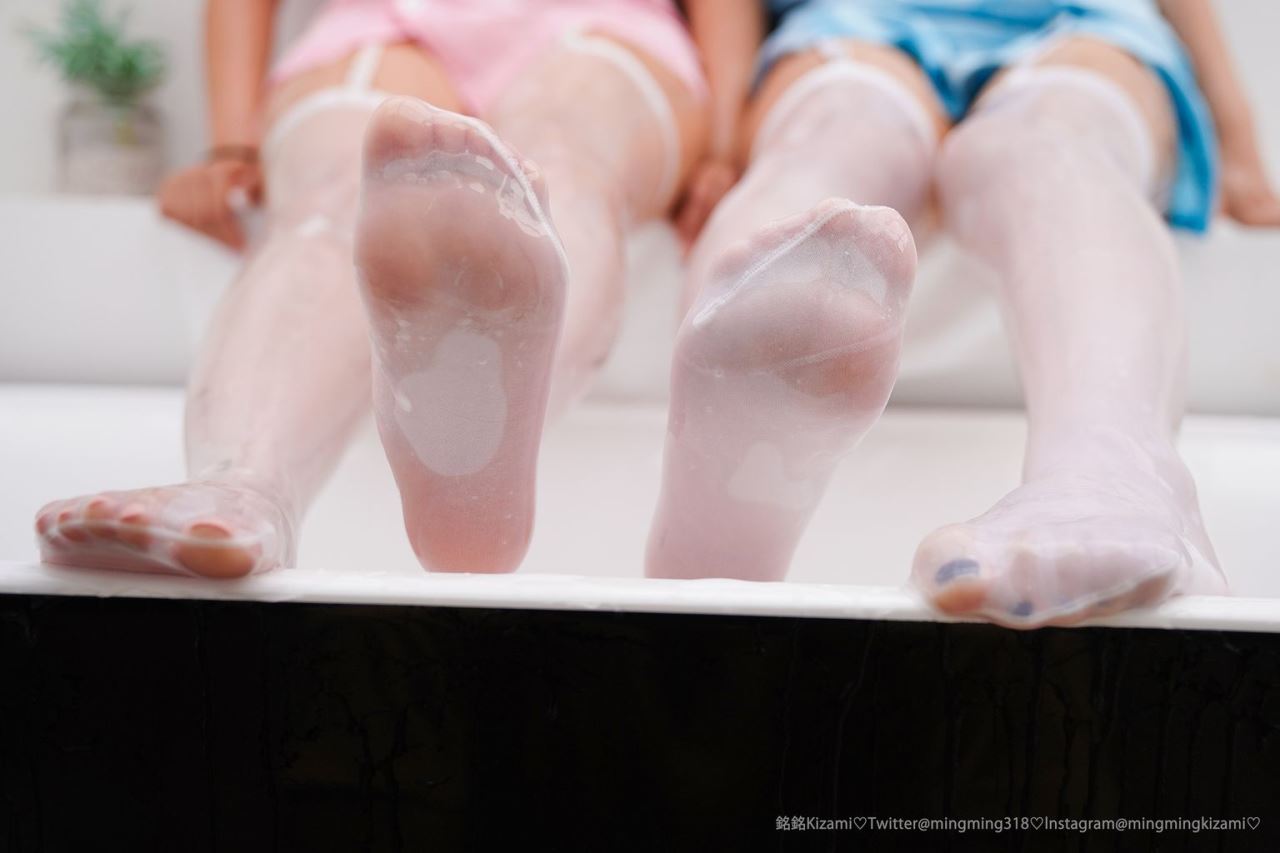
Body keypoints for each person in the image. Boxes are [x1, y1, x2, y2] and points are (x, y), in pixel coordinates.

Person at [35, 0, 755, 577]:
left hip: (609, 23)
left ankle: (252, 482)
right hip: (381, 23)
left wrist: (727, 149)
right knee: (346, 192)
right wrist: (231, 146)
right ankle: (246, 485)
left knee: (554, 165)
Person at [645, 0, 1280, 627]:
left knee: (875, 140)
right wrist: (720, 142)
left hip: (1074, 24)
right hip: (864, 22)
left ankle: (1113, 471)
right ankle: (1114, 467)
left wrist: (1239, 136)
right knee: (1016, 145)